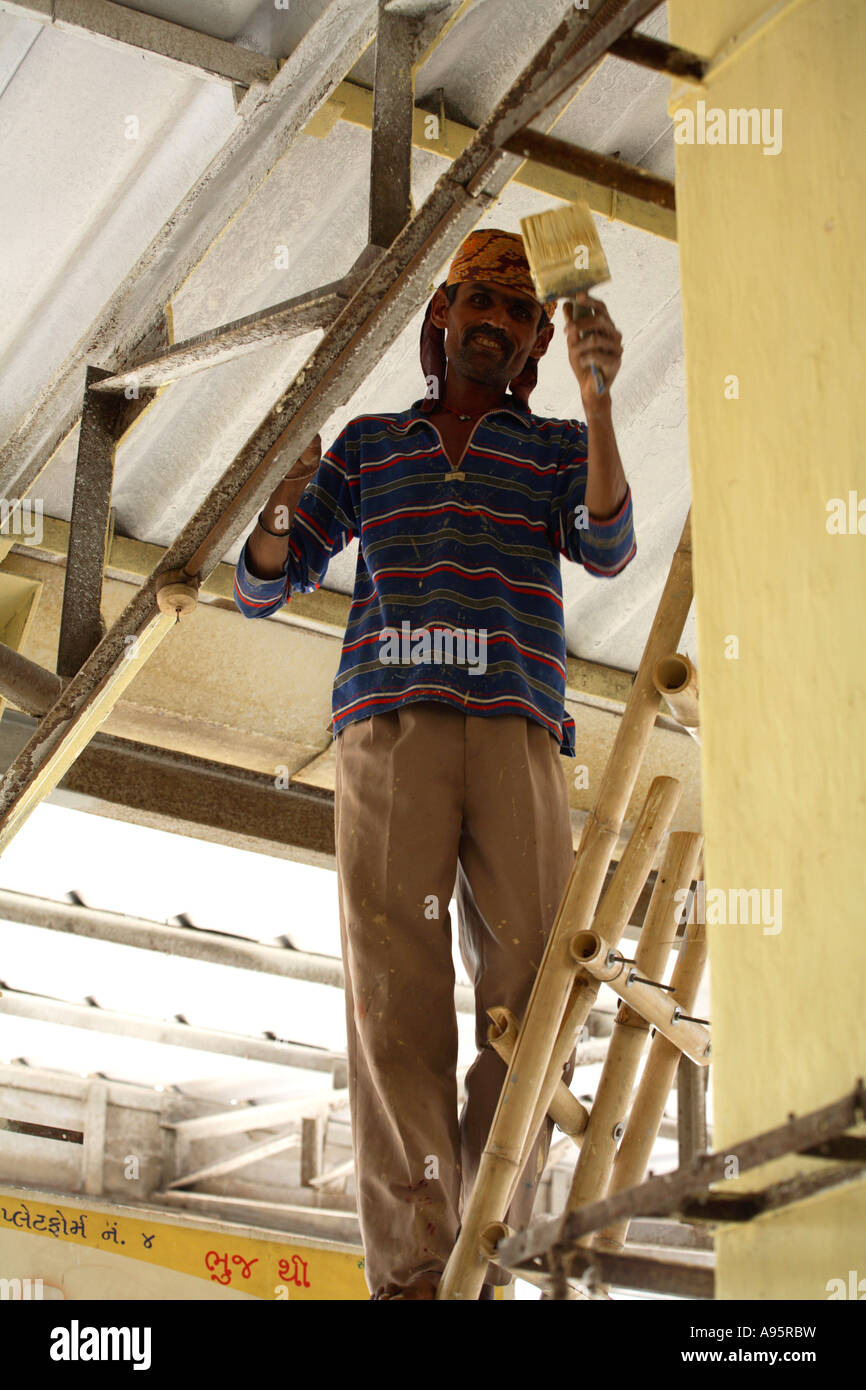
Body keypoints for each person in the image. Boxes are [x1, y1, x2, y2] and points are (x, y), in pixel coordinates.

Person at [234, 228, 636, 1299]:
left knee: (533, 992)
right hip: (388, 724)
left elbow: (603, 544)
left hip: (516, 725)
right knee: (391, 1001)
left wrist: (598, 407)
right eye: (477, 305)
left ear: (536, 344)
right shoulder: (370, 446)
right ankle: (416, 1274)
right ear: (439, 320)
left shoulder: (553, 446)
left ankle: (480, 1252)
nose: (492, 326)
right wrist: (285, 487)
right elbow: (264, 582)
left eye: (515, 316)